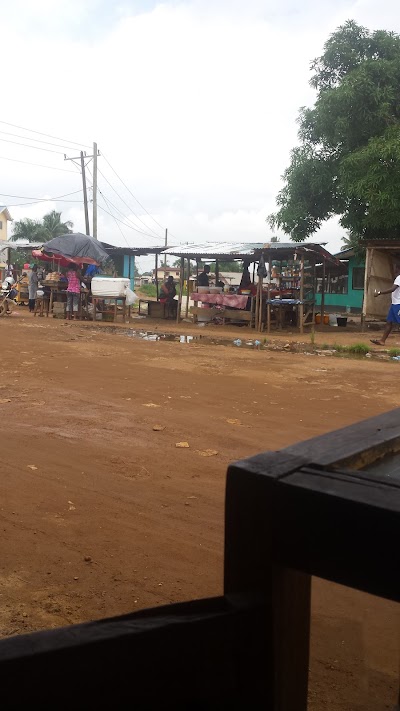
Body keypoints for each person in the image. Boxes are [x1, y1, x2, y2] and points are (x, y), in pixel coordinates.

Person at [371, 264, 400, 346]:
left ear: (398, 268)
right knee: (389, 322)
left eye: (395, 268)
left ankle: (382, 340)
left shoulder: (399, 278)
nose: (394, 270)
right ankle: (382, 341)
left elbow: (393, 289)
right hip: (394, 304)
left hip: (398, 305)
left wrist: (380, 292)